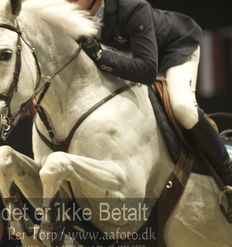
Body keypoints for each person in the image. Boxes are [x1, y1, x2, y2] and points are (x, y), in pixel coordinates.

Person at [70, 0, 232, 188]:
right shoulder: (71, 16)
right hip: (133, 58)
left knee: (182, 107)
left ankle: (227, 172)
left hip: (174, 47)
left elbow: (147, 71)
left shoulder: (133, 8)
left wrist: (100, 55)